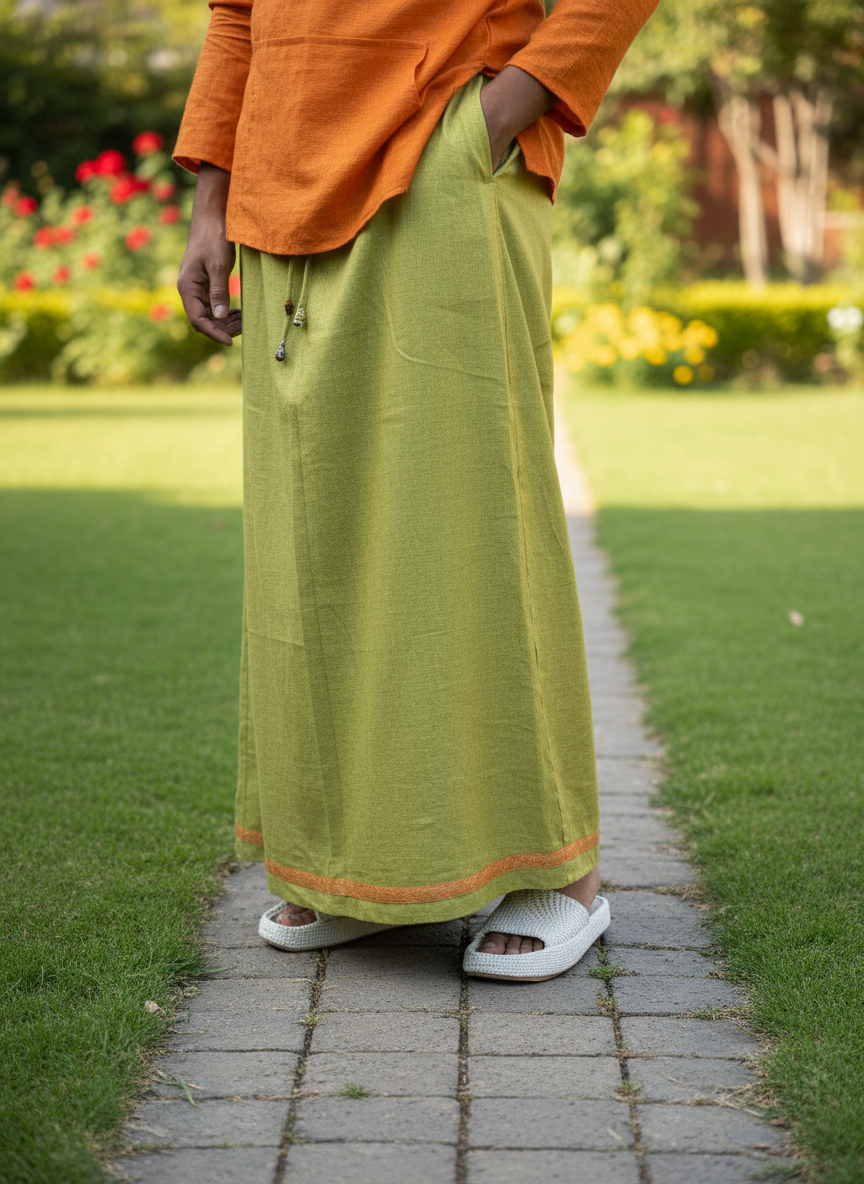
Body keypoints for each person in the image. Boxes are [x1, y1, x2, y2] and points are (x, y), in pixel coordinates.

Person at [175, 0, 657, 982]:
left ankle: (555, 871)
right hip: (278, 181)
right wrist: (209, 196)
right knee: (308, 543)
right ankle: (360, 868)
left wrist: (497, 114)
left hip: (443, 149)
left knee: (474, 522)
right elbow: (237, 9)